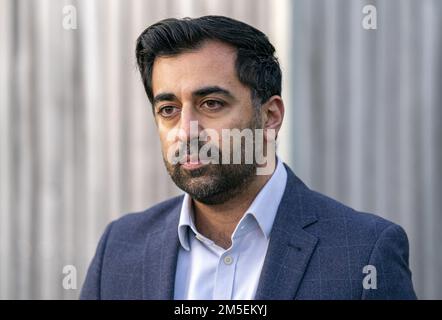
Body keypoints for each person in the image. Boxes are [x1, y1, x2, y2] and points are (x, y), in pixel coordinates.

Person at [80, 16, 416, 300]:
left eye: (211, 103)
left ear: (270, 116)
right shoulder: (120, 249)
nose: (186, 131)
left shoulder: (363, 253)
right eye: (168, 110)